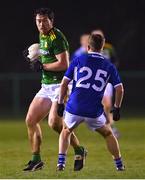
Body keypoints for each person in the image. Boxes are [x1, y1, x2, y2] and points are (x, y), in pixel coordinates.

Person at [23, 7, 86, 172]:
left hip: (61, 86)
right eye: (38, 21)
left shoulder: (56, 37)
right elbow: (45, 55)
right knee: (30, 120)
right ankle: (36, 160)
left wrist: (42, 65)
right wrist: (33, 56)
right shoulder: (42, 35)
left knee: (54, 124)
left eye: (44, 20)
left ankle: (79, 150)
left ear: (51, 21)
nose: (41, 24)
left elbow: (64, 64)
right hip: (46, 86)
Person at [56, 34, 125, 171]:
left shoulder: (78, 60)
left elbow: (64, 83)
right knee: (108, 134)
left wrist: (59, 102)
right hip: (93, 111)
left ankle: (61, 163)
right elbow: (120, 89)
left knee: (66, 130)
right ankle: (119, 165)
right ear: (102, 47)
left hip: (74, 107)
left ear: (88, 47)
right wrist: (117, 108)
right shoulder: (108, 65)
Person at [91, 29, 120, 137]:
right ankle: (106, 126)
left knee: (107, 105)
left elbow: (115, 60)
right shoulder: (90, 48)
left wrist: (112, 72)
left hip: (106, 79)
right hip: (96, 80)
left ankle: (108, 126)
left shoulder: (109, 47)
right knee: (104, 103)